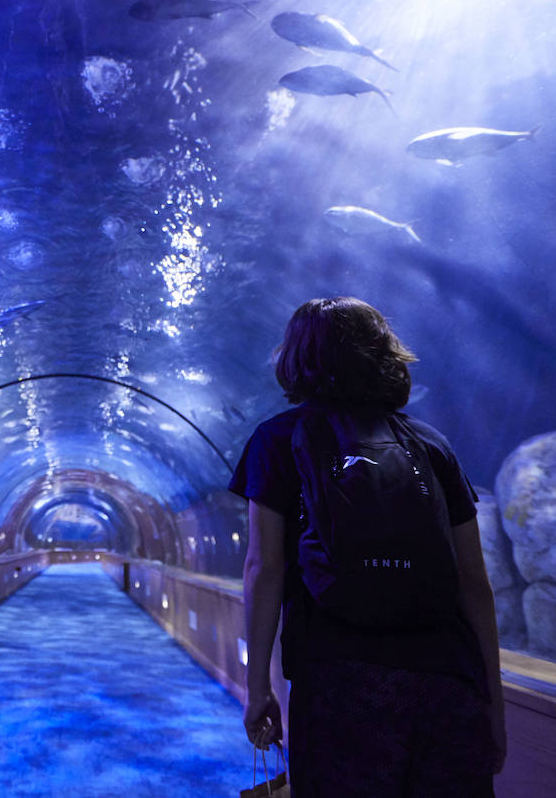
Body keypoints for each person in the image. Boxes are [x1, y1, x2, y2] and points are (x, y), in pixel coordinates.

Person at [232, 297, 506, 796]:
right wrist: (493, 703)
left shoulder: (276, 440)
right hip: (448, 680)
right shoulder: (431, 445)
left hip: (339, 684)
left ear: (295, 359)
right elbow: (473, 583)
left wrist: (258, 690)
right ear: (385, 353)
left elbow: (263, 568)